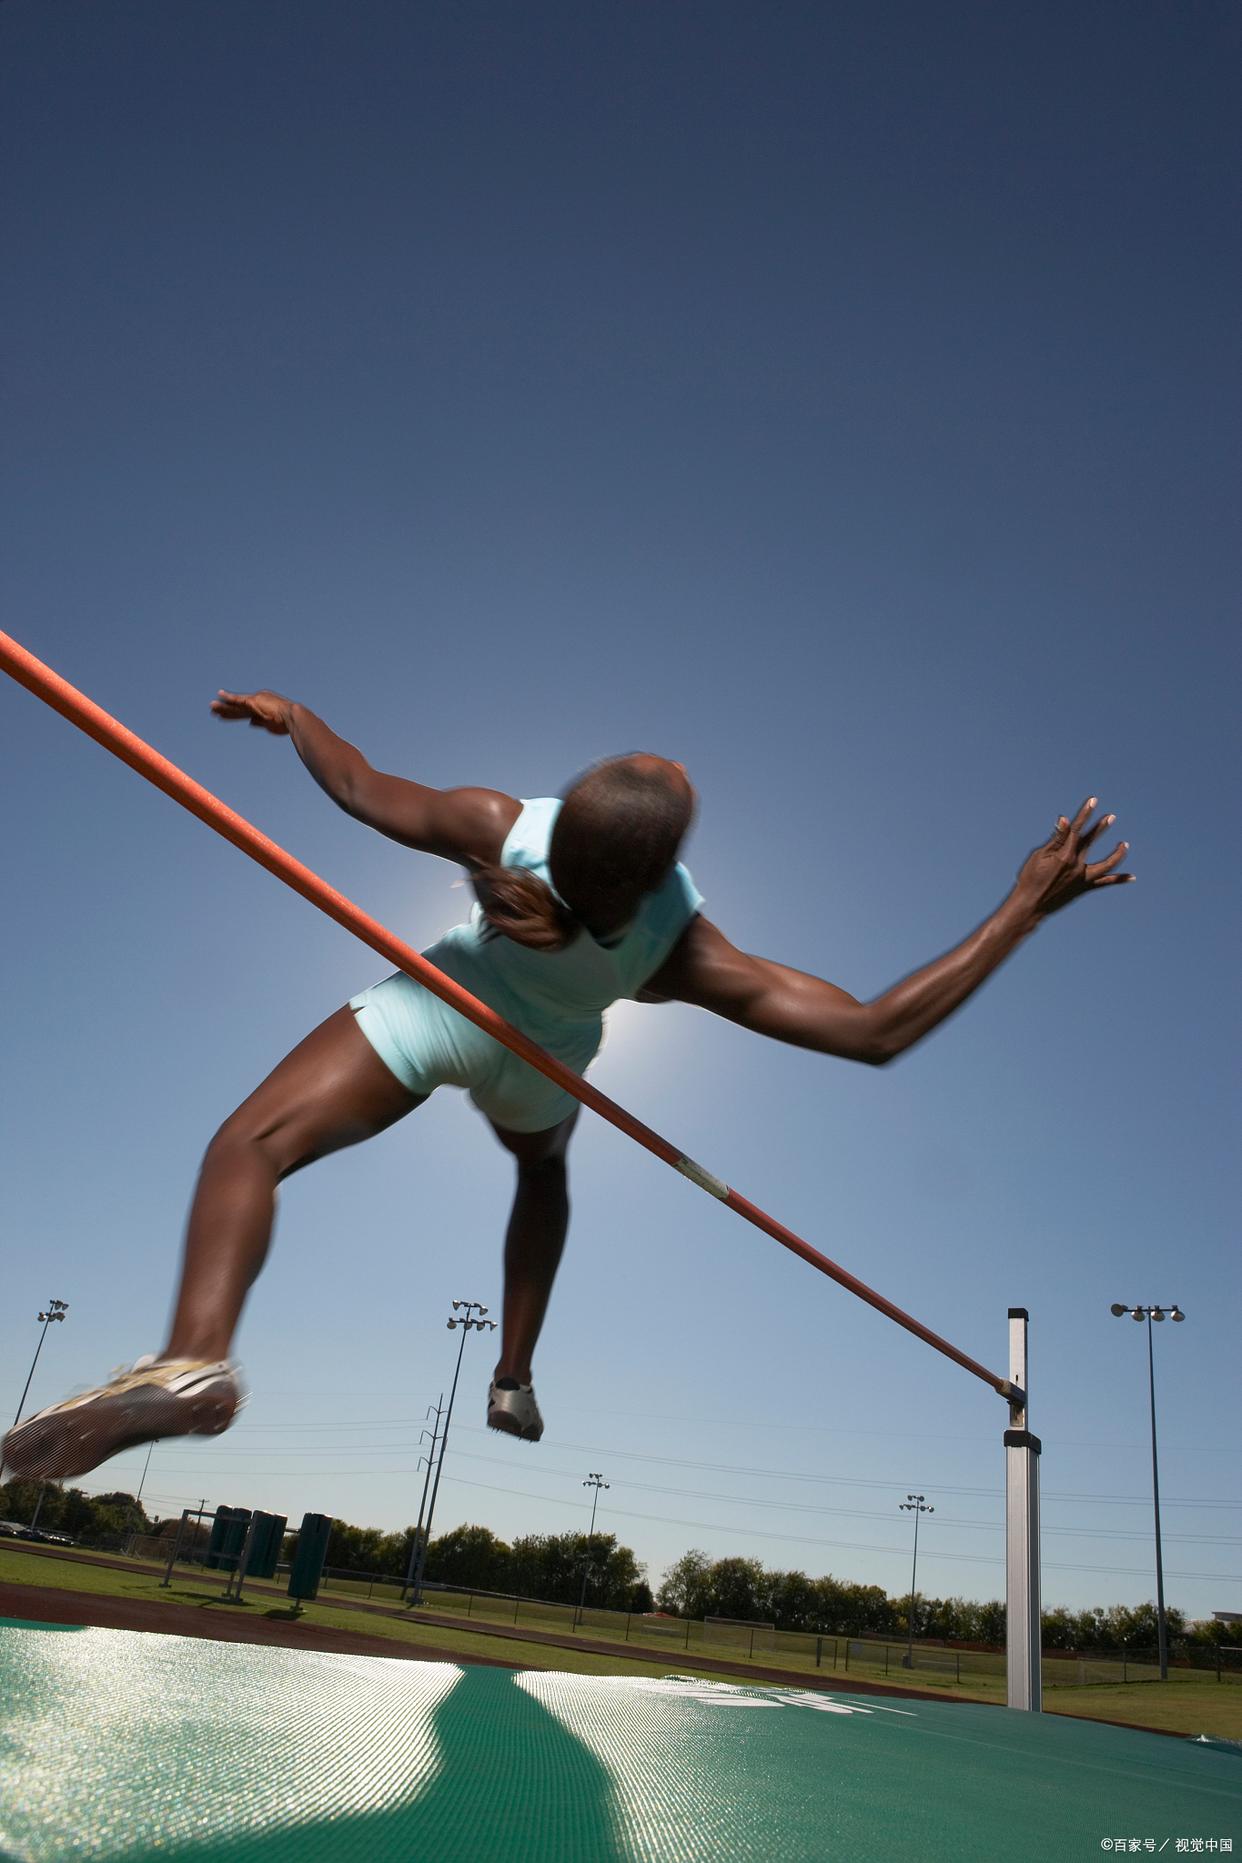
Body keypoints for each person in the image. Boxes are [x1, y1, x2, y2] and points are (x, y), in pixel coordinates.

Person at [1, 690, 1133, 1482]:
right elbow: (876, 1031)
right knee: (541, 1176)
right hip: (542, 1064)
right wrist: (1021, 908)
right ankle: (513, 1374)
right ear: (656, 873)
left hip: (442, 1008)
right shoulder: (682, 950)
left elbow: (355, 784)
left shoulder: (500, 829)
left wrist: (295, 716)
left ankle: (195, 1359)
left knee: (250, 1144)